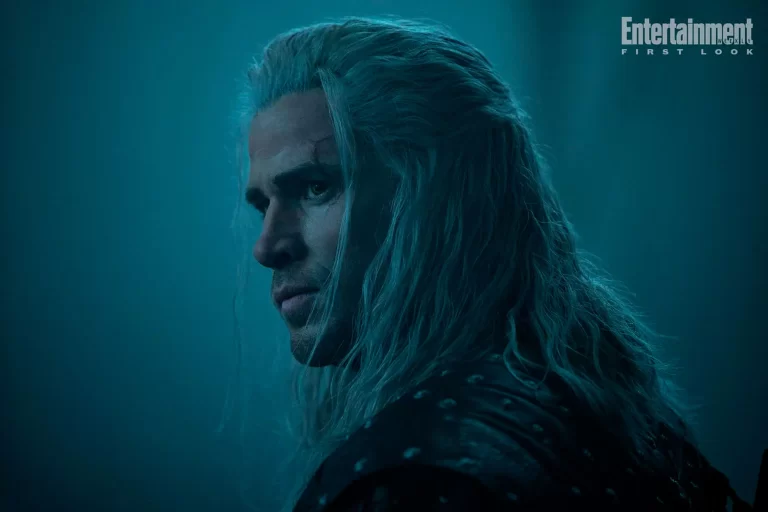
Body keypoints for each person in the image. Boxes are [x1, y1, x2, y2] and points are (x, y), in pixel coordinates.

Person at [240, 17, 762, 512]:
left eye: (316, 187)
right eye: (263, 206)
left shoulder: (419, 477)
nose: (267, 248)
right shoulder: (610, 419)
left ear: (439, 199)